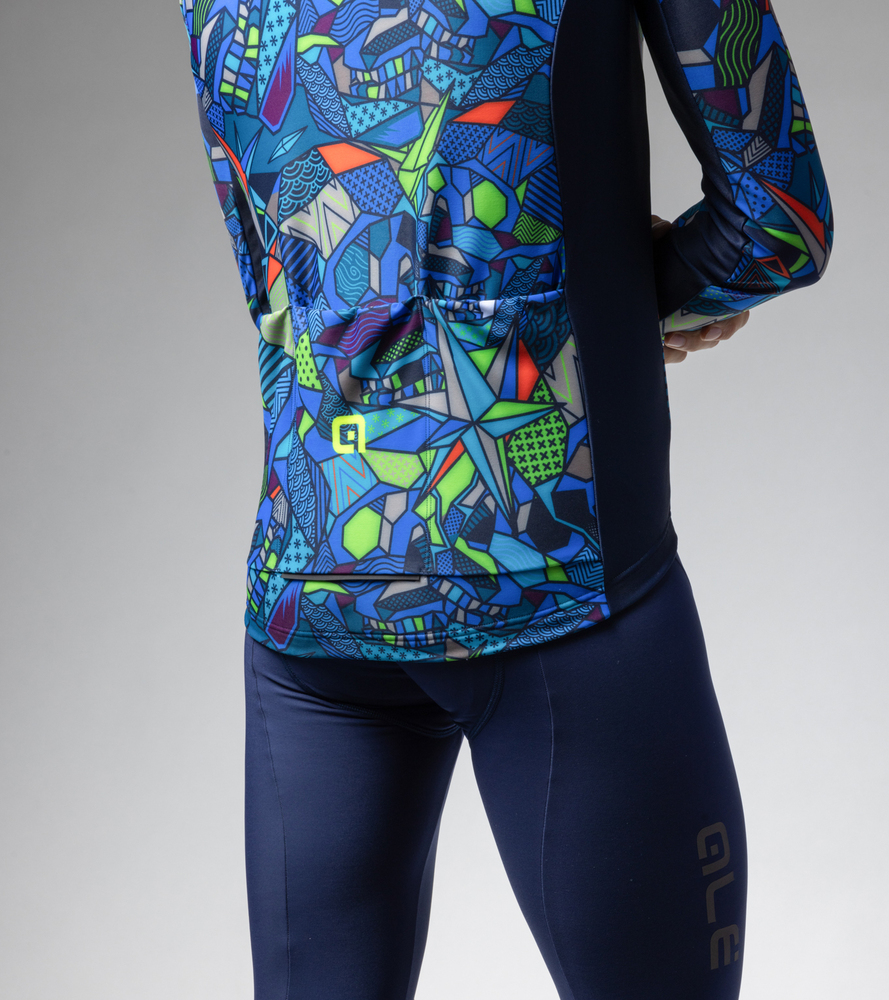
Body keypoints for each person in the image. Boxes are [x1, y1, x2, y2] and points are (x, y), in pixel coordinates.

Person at [177, 0, 832, 996]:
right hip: (558, 570)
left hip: (316, 581)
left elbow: (278, 278)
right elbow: (780, 222)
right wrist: (633, 297)